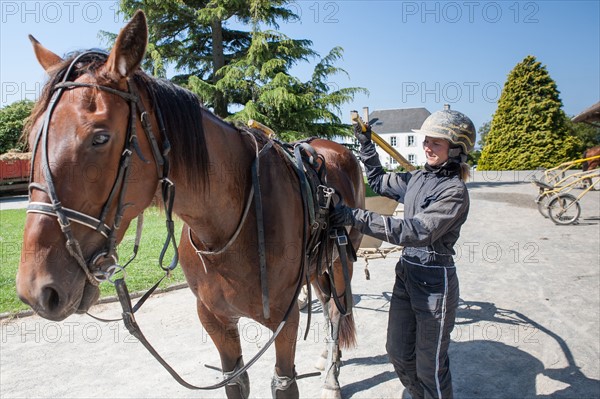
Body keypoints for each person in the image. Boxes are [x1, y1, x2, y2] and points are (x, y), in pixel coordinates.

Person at [330, 105, 475, 399]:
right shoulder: (417, 178)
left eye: (437, 142)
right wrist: (366, 144)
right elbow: (379, 181)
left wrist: (353, 216)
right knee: (397, 352)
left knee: (430, 367)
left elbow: (414, 231)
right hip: (407, 275)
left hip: (435, 284)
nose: (427, 147)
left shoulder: (454, 192)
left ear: (456, 149)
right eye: (426, 140)